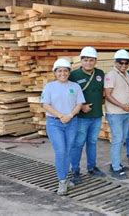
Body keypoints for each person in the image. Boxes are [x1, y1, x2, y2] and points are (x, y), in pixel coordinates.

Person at [42, 58, 85, 195]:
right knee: (60, 151)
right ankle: (62, 181)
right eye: (59, 71)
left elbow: (79, 104)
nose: (63, 73)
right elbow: (45, 105)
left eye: (65, 71)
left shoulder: (75, 87)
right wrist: (61, 116)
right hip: (55, 123)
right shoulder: (49, 87)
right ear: (55, 73)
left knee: (68, 151)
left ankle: (65, 179)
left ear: (69, 72)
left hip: (71, 122)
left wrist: (70, 115)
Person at [69, 46, 106, 185]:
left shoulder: (100, 73)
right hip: (81, 117)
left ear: (95, 61)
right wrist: (81, 106)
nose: (88, 63)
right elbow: (69, 95)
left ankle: (92, 167)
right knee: (78, 144)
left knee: (92, 142)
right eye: (85, 60)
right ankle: (75, 170)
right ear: (81, 60)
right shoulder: (73, 75)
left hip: (96, 115)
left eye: (91, 60)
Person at [104, 49, 129, 180]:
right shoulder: (111, 75)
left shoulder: (126, 75)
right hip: (115, 113)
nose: (123, 65)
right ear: (115, 62)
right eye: (121, 63)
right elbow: (107, 95)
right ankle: (115, 168)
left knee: (122, 139)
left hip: (126, 112)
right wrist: (122, 106)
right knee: (117, 140)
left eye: (126, 63)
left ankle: (117, 163)